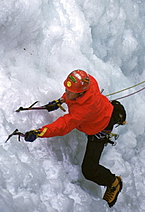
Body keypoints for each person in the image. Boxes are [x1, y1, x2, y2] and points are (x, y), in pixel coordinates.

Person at [24, 69, 126, 208]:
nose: (67, 92)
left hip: (100, 128)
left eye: (69, 92)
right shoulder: (89, 82)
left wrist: (39, 132)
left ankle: (113, 183)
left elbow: (63, 125)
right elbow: (72, 92)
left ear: (81, 93)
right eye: (66, 89)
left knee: (89, 170)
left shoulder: (82, 111)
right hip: (103, 111)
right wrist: (61, 100)